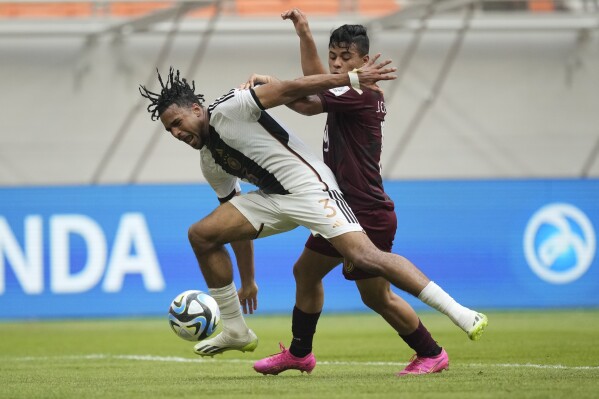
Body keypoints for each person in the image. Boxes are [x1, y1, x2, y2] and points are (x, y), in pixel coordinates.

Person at [138, 61, 484, 373]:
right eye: (170, 130)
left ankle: (460, 313)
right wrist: (248, 281)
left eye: (178, 123)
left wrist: (349, 78)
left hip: (311, 189)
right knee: (202, 234)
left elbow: (290, 89)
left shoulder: (231, 107)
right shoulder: (210, 162)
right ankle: (236, 329)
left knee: (365, 257)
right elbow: (234, 225)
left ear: (197, 110)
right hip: (275, 200)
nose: (176, 133)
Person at [249, 10, 488, 376]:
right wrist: (305, 35)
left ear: (363, 60)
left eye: (346, 58)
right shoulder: (349, 87)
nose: (338, 63)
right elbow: (319, 83)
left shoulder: (358, 91)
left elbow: (306, 102)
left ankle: (432, 352)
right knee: (308, 274)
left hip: (365, 210)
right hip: (345, 206)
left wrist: (272, 84)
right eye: (334, 56)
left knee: (377, 296)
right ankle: (300, 353)